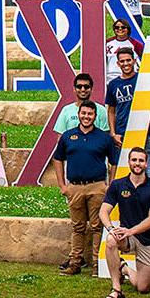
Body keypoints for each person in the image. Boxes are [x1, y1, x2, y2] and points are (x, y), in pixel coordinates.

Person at [52, 101, 114, 275]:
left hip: (97, 186)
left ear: (95, 116)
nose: (86, 117)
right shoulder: (68, 136)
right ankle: (75, 263)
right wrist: (63, 185)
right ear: (78, 114)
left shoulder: (103, 137)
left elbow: (113, 162)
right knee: (77, 227)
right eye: (84, 113)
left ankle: (97, 265)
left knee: (96, 226)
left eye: (90, 114)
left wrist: (110, 184)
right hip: (75, 187)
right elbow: (57, 159)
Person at [99, 147, 150, 298]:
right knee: (110, 240)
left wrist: (131, 231)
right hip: (126, 237)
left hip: (147, 240)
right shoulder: (118, 185)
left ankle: (124, 268)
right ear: (129, 162)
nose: (137, 163)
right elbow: (103, 211)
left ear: (146, 163)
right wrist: (111, 229)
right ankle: (116, 290)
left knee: (143, 287)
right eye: (134, 160)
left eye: (141, 160)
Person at [106, 48, 138, 170]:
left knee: (148, 168)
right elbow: (111, 110)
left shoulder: (143, 79)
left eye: (128, 60)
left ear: (134, 61)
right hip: (122, 133)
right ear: (118, 64)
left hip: (146, 131)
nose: (126, 64)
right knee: (123, 168)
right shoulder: (113, 85)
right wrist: (113, 133)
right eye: (122, 61)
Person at [105, 19, 142, 84]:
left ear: (128, 29)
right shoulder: (107, 43)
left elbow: (144, 59)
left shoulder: (136, 44)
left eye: (123, 27)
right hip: (110, 78)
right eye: (117, 27)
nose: (120, 29)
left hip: (130, 78)